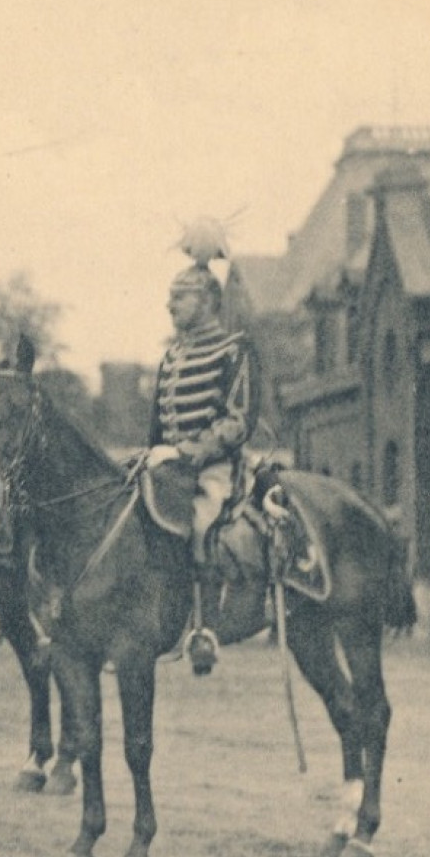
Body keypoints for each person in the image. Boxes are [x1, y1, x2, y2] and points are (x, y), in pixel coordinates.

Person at [145, 223, 260, 671]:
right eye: (172, 295)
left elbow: (238, 419)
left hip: (214, 469)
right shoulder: (171, 356)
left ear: (209, 300)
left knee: (202, 524)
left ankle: (205, 629)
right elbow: (157, 426)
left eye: (181, 296)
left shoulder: (234, 349)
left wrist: (190, 453)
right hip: (168, 465)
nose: (169, 304)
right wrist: (152, 455)